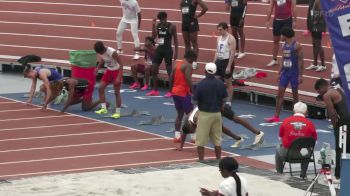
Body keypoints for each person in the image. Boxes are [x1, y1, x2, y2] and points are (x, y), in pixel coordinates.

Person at [177, 105, 265, 150]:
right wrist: (181, 146)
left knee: (235, 119)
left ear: (191, 126)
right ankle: (238, 139)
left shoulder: (197, 119)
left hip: (216, 107)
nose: (194, 131)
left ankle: (258, 133)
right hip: (210, 110)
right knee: (221, 128)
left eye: (193, 131)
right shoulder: (187, 121)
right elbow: (184, 132)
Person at [265, 27, 303, 123]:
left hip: (294, 74)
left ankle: (297, 116)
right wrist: (278, 73)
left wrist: (300, 76)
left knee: (295, 96)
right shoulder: (283, 45)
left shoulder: (297, 46)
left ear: (285, 35)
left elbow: (301, 61)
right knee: (279, 94)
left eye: (281, 35)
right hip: (285, 73)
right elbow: (283, 60)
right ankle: (276, 116)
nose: (280, 36)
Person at [314, 79, 350, 181]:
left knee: (339, 148)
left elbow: (332, 113)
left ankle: (338, 175)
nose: (320, 93)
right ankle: (347, 173)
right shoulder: (338, 89)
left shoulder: (327, 95)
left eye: (319, 91)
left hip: (343, 123)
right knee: (348, 147)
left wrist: (335, 126)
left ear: (322, 87)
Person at [192, 62, 228, 161]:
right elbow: (225, 99)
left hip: (204, 114)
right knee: (217, 140)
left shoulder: (201, 84)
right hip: (217, 114)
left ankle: (201, 160)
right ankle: (218, 159)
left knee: (201, 141)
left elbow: (194, 101)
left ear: (205, 71)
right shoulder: (220, 84)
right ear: (215, 71)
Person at [275, 102, 317, 178]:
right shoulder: (310, 124)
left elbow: (280, 136)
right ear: (306, 112)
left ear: (294, 110)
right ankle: (303, 174)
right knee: (307, 147)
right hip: (304, 155)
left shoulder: (286, 121)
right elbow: (314, 139)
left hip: (288, 154)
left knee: (278, 146)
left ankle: (279, 172)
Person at [147, 11, 179, 97]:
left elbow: (175, 39)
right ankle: (155, 90)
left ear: (166, 18)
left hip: (168, 50)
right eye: (160, 20)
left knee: (169, 71)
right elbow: (153, 37)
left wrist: (176, 51)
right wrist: (153, 25)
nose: (161, 22)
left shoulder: (172, 26)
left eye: (162, 20)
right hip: (159, 49)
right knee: (154, 68)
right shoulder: (158, 25)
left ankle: (171, 91)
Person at [170, 50, 197, 142]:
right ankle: (193, 137)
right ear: (190, 57)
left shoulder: (177, 64)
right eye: (194, 59)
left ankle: (177, 136)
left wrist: (170, 90)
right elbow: (188, 79)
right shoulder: (188, 65)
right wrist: (193, 91)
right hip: (184, 93)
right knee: (191, 115)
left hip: (175, 92)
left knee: (179, 115)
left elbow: (171, 77)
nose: (193, 61)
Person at [94, 41, 123, 119]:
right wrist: (97, 68)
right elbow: (103, 59)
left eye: (101, 52)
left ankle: (117, 112)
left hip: (116, 71)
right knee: (101, 88)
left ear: (103, 49)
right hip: (109, 71)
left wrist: (119, 77)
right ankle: (104, 108)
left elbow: (121, 64)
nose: (100, 53)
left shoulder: (112, 52)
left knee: (116, 93)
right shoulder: (101, 51)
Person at [265, 0, 297, 67]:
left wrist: (295, 20)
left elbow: (294, 7)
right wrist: (267, 20)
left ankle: (291, 59)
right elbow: (270, 7)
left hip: (287, 20)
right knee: (276, 40)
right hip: (277, 20)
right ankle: (274, 59)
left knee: (288, 41)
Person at [180, 0, 208, 69]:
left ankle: (194, 62)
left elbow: (205, 7)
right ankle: (187, 60)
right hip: (184, 24)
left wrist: (198, 16)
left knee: (194, 43)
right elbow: (181, 7)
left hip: (192, 24)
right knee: (186, 44)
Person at [213, 22, 236, 107]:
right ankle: (219, 97)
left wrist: (229, 66)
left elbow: (232, 53)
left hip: (226, 62)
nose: (219, 31)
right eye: (218, 30)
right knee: (216, 81)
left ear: (226, 29)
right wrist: (214, 62)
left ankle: (229, 101)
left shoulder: (231, 39)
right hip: (219, 61)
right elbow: (217, 50)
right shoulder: (218, 38)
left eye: (220, 30)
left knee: (228, 83)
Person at [305, 0, 326, 72]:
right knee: (314, 44)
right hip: (313, 24)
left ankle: (323, 65)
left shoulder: (318, 1)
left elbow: (322, 12)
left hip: (318, 25)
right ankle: (315, 63)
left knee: (318, 44)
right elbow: (312, 11)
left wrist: (316, 20)